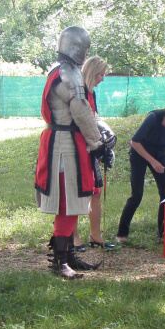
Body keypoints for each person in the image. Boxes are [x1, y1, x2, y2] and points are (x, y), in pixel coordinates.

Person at [35, 27, 110, 279]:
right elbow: (80, 110)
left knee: (72, 201)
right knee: (67, 202)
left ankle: (67, 255)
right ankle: (60, 261)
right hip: (65, 146)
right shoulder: (68, 74)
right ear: (78, 48)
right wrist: (97, 143)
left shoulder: (61, 70)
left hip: (66, 141)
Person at [116, 98, 165, 242]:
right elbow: (134, 142)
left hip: (160, 156)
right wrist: (152, 161)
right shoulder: (154, 118)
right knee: (137, 195)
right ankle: (122, 234)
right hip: (139, 154)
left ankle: (162, 234)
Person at [73, 56, 116, 251]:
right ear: (91, 72)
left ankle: (96, 236)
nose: (102, 79)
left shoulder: (92, 93)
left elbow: (94, 119)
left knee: (96, 191)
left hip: (92, 147)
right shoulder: (78, 91)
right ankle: (73, 237)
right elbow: (79, 121)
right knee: (75, 193)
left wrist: (106, 139)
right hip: (77, 147)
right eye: (100, 75)